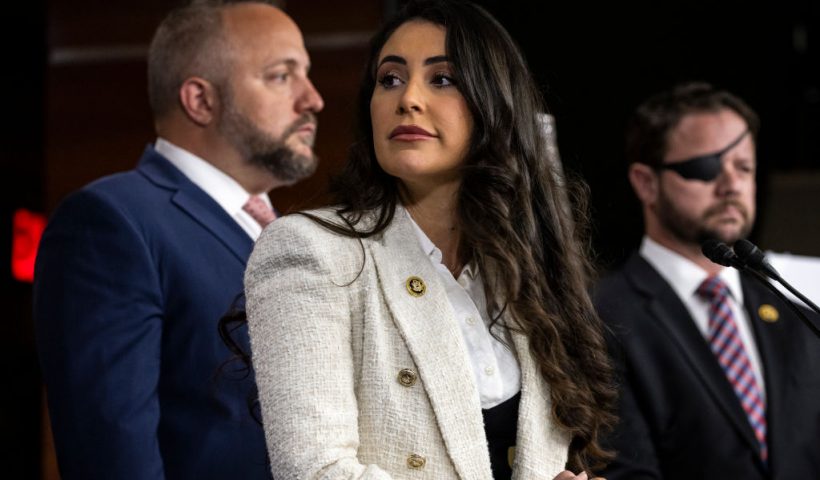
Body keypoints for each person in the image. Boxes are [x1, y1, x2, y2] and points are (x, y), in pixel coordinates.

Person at [244, 1, 615, 479]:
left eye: (442, 79)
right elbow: (315, 471)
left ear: (493, 103)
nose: (408, 99)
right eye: (390, 80)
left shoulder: (523, 265)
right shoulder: (309, 249)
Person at [33, 1, 323, 478]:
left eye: (307, 74)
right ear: (200, 100)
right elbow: (112, 457)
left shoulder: (294, 236)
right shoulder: (111, 222)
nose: (313, 99)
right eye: (281, 76)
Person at [595, 82, 820, 479]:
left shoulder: (794, 314)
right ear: (646, 182)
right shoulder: (600, 316)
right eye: (706, 167)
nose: (731, 184)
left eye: (744, 167)